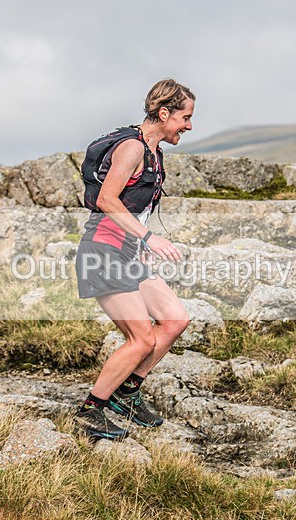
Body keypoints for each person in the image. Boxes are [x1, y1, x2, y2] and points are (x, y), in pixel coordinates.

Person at [74, 79, 195, 439]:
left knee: (175, 320)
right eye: (185, 118)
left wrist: (140, 242)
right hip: (104, 251)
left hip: (128, 252)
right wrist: (149, 237)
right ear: (164, 113)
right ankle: (90, 412)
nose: (189, 126)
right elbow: (107, 200)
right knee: (141, 339)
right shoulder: (132, 148)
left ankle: (126, 394)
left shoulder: (154, 152)